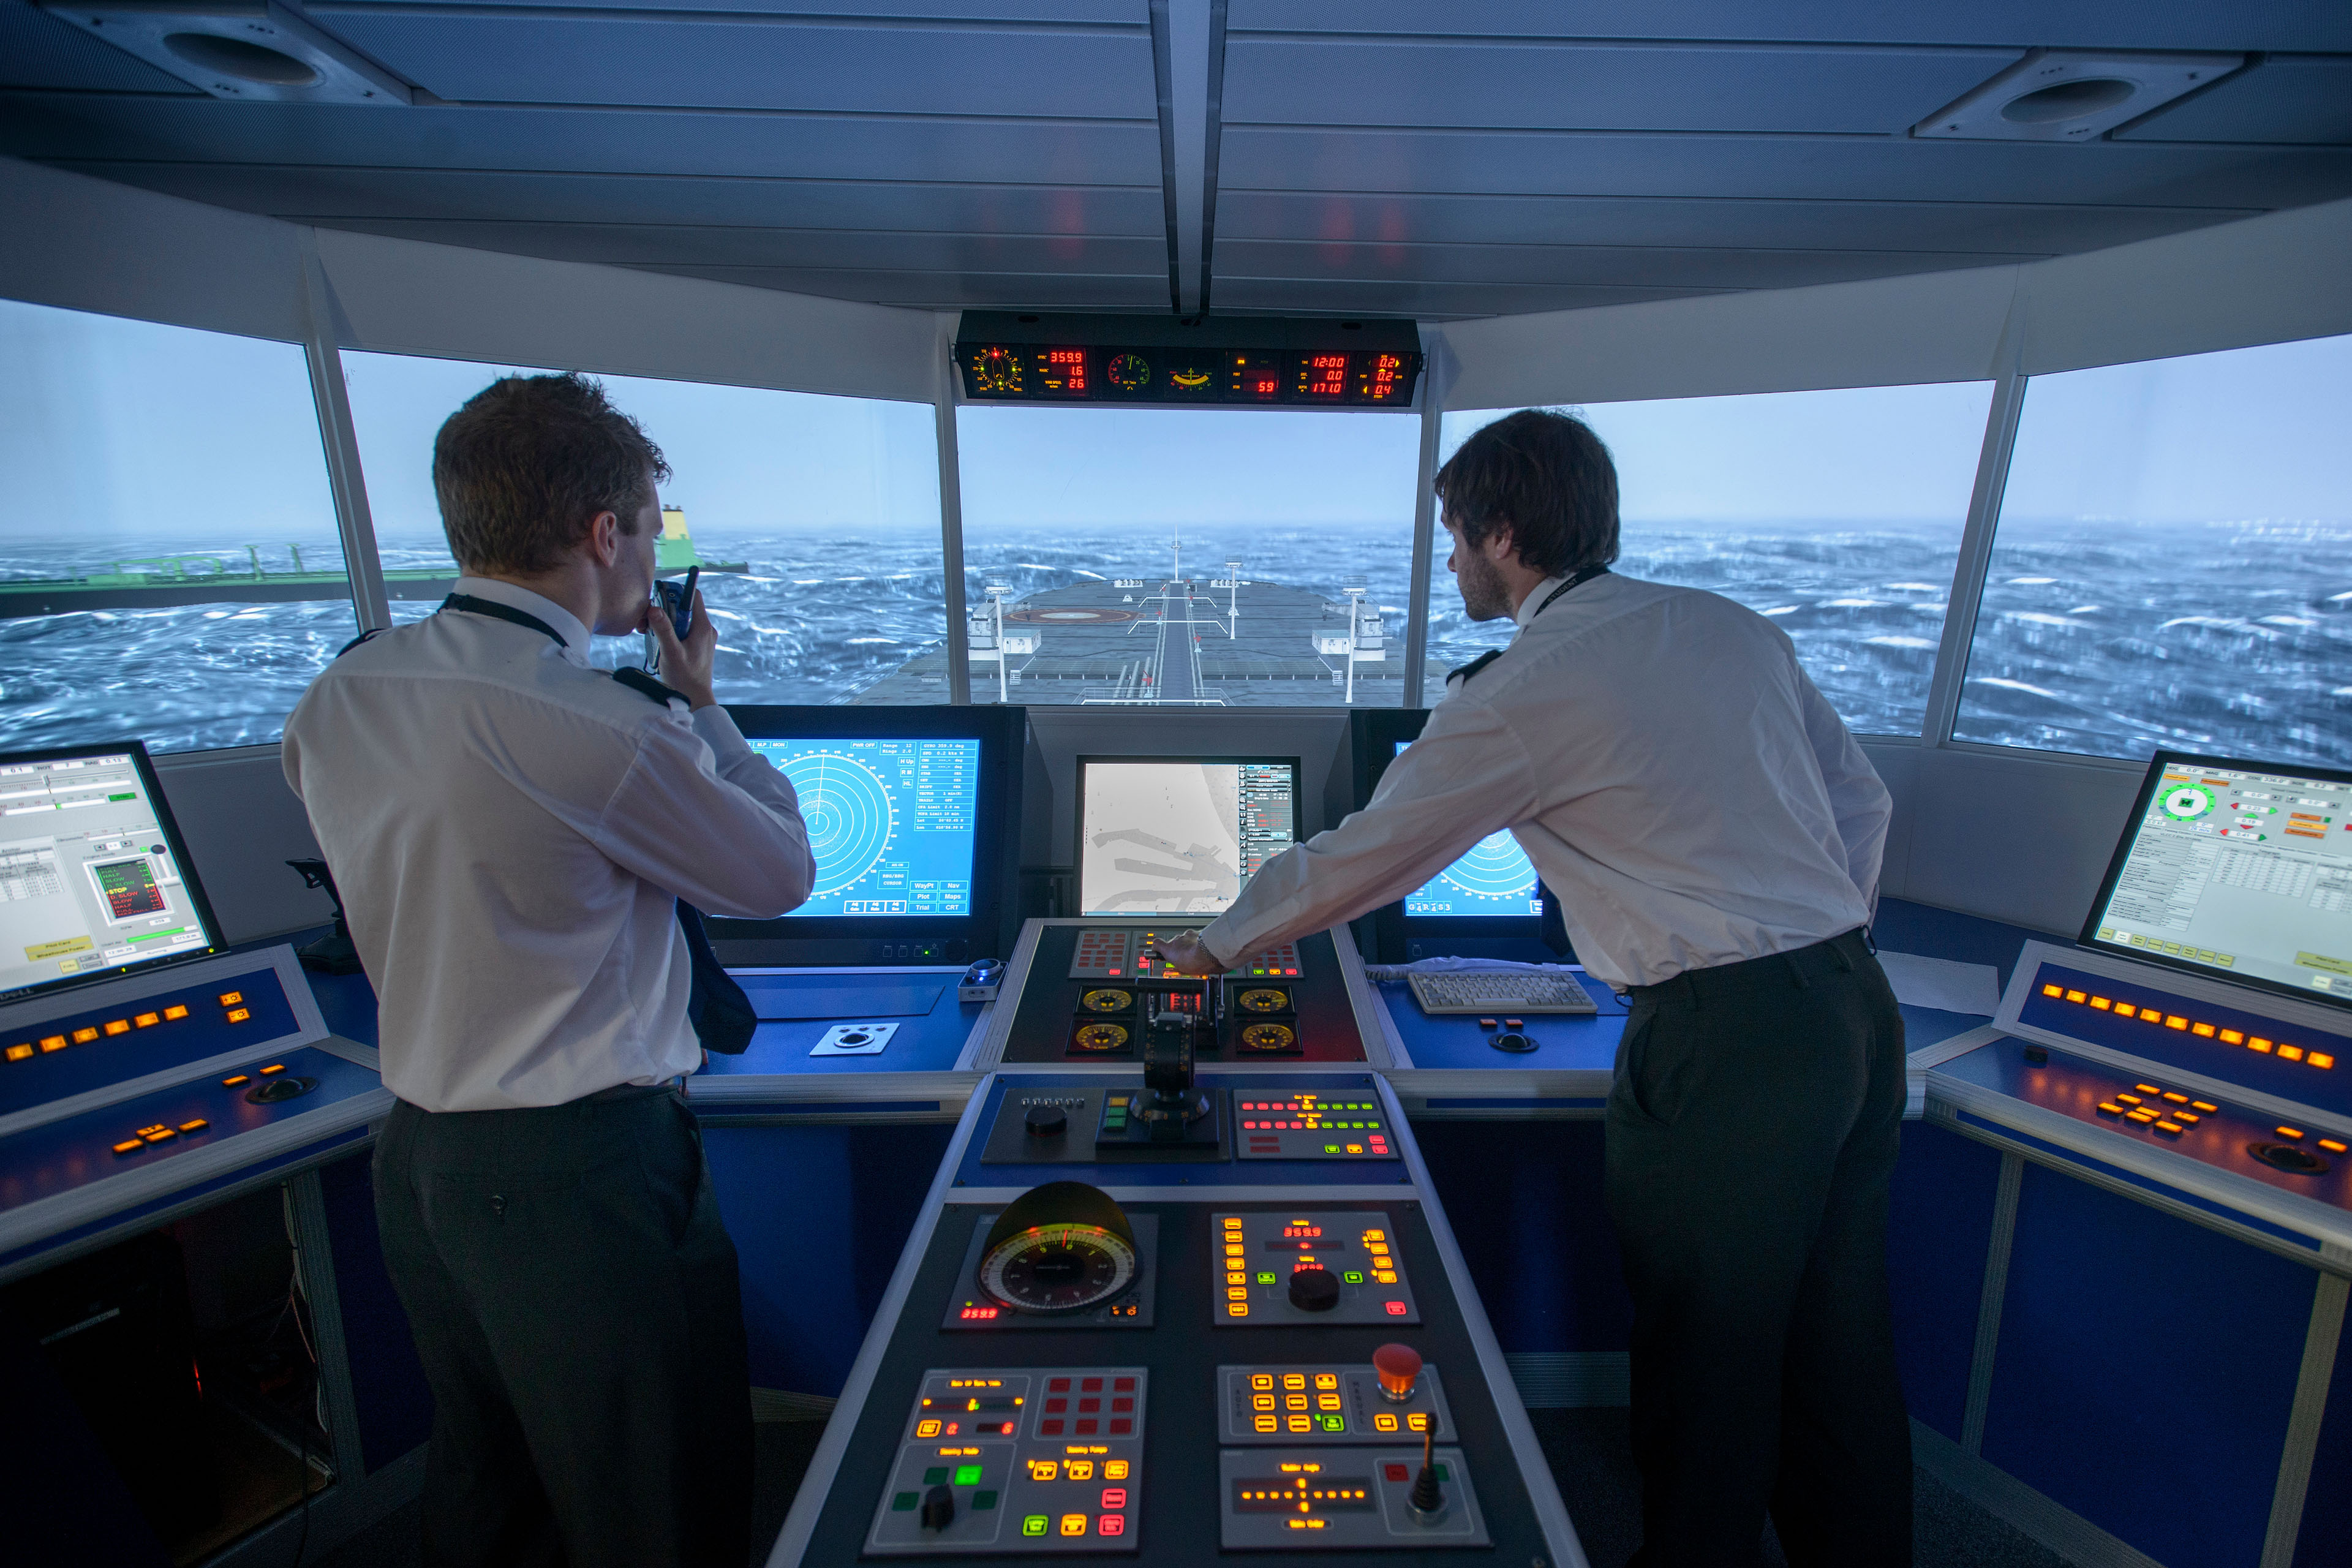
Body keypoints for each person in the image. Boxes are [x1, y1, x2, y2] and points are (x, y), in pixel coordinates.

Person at [1150, 409, 1907, 1566]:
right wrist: (1813, 951)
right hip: (1855, 1006)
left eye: (1455, 537)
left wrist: (1212, 947)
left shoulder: (1524, 686)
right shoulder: (1732, 628)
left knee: (1706, 1352)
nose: (1450, 561)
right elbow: (1861, 806)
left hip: (1726, 1042)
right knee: (1836, 1337)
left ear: (1504, 535)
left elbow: (1368, 852)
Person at [282, 373, 815, 1568]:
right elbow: (779, 871)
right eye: (649, 529)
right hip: (584, 1174)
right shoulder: (602, 720)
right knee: (656, 1498)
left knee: (491, 1487)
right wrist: (705, 710)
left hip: (421, 1162)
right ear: (604, 533)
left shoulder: (344, 693)